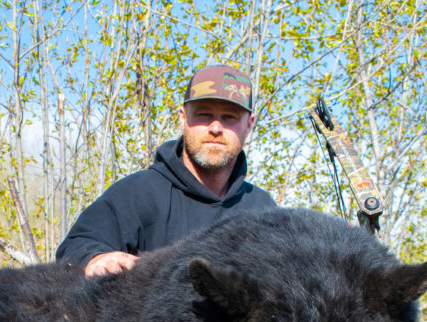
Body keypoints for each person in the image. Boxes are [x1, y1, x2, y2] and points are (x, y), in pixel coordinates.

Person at [55, 65, 277, 277]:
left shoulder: (263, 210)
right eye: (203, 114)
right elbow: (77, 246)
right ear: (183, 117)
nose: (216, 128)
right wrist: (95, 259)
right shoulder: (137, 193)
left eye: (229, 117)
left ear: (249, 124)